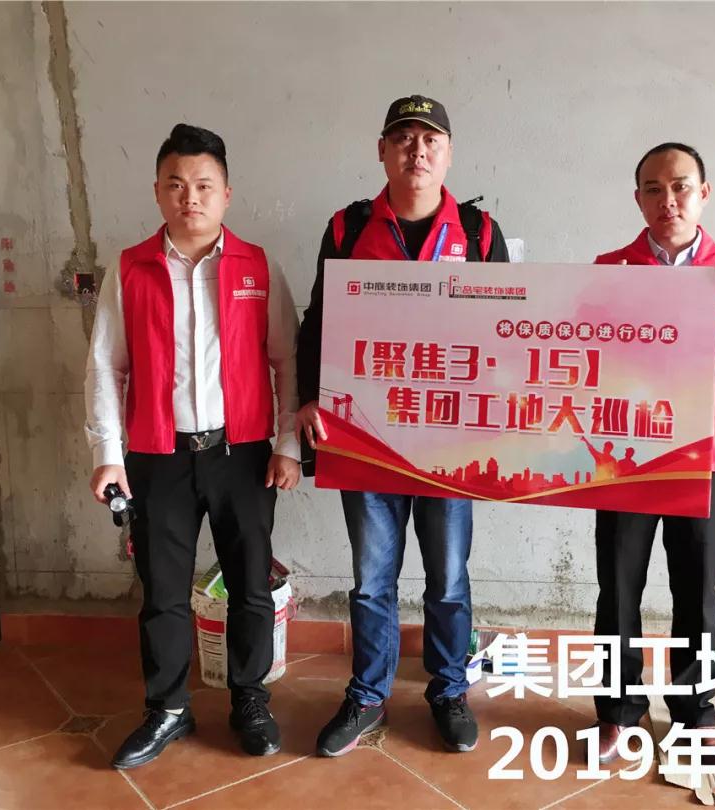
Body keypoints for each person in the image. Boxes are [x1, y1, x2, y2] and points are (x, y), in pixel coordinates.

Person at [295, 95, 509, 757]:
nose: (417, 151)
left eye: (430, 140)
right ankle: (367, 695)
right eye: (404, 138)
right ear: (382, 151)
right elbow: (318, 321)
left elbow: (508, 331)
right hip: (367, 440)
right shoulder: (347, 228)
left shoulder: (478, 233)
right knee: (372, 579)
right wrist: (306, 399)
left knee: (448, 578)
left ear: (448, 154)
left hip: (450, 442)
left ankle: (449, 690)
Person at [84, 123, 301, 769]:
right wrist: (107, 452)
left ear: (226, 193)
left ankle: (249, 699)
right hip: (158, 456)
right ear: (158, 192)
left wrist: (288, 443)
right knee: (163, 592)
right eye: (176, 185)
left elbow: (287, 360)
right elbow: (105, 366)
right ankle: (168, 709)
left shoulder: (257, 266)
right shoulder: (131, 269)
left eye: (204, 185)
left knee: (250, 585)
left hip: (243, 455)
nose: (191, 198)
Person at [591, 142, 715, 767]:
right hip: (624, 454)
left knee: (697, 590)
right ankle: (617, 711)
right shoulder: (611, 269)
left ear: (704, 193)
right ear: (638, 199)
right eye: (653, 189)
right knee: (618, 585)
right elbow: (586, 358)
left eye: (680, 187)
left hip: (705, 457)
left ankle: (695, 714)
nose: (667, 200)